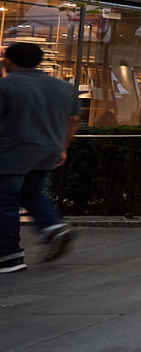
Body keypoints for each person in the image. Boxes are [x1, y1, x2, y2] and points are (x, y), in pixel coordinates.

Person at [0, 42, 80, 273]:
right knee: (32, 193)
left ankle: (9, 256)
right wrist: (62, 148)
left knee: (5, 203)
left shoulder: (6, 86)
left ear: (8, 60)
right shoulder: (63, 88)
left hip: (12, 152)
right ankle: (53, 227)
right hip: (48, 151)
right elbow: (73, 120)